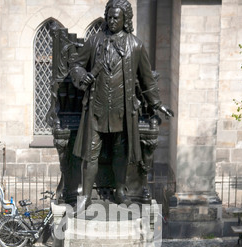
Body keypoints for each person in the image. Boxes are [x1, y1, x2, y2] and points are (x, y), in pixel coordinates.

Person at [69, 0, 173, 213]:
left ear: (126, 19)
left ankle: (120, 191)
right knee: (90, 154)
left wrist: (157, 104)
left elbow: (146, 79)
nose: (112, 20)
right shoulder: (95, 40)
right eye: (109, 16)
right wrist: (82, 76)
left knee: (121, 153)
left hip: (122, 111)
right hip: (96, 110)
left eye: (117, 17)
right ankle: (85, 195)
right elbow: (76, 64)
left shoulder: (135, 45)